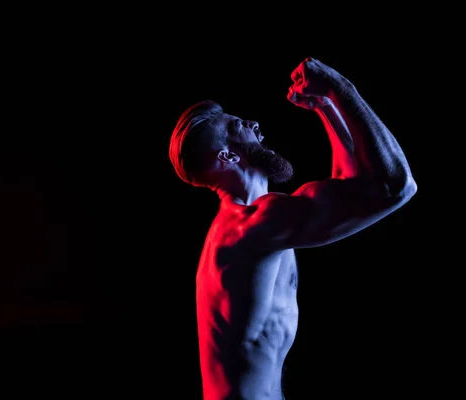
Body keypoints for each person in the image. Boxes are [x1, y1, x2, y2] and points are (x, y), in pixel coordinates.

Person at [168, 57, 417, 400]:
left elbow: (350, 185)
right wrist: (341, 87)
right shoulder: (250, 226)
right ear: (226, 156)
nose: (254, 123)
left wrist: (327, 108)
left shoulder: (256, 222)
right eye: (239, 124)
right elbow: (394, 186)